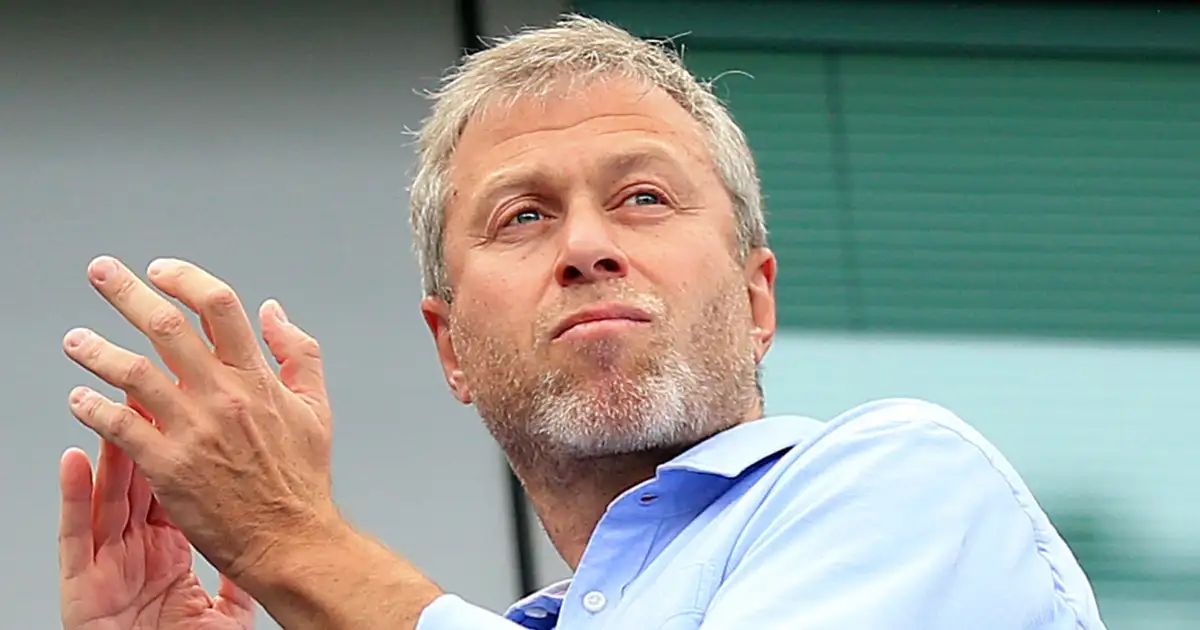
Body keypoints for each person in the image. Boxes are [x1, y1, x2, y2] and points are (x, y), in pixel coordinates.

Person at [57, 14, 1108, 630]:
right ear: (451, 349)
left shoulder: (906, 484)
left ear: (757, 299)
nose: (586, 246)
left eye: (644, 197)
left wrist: (286, 540)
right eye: (523, 216)